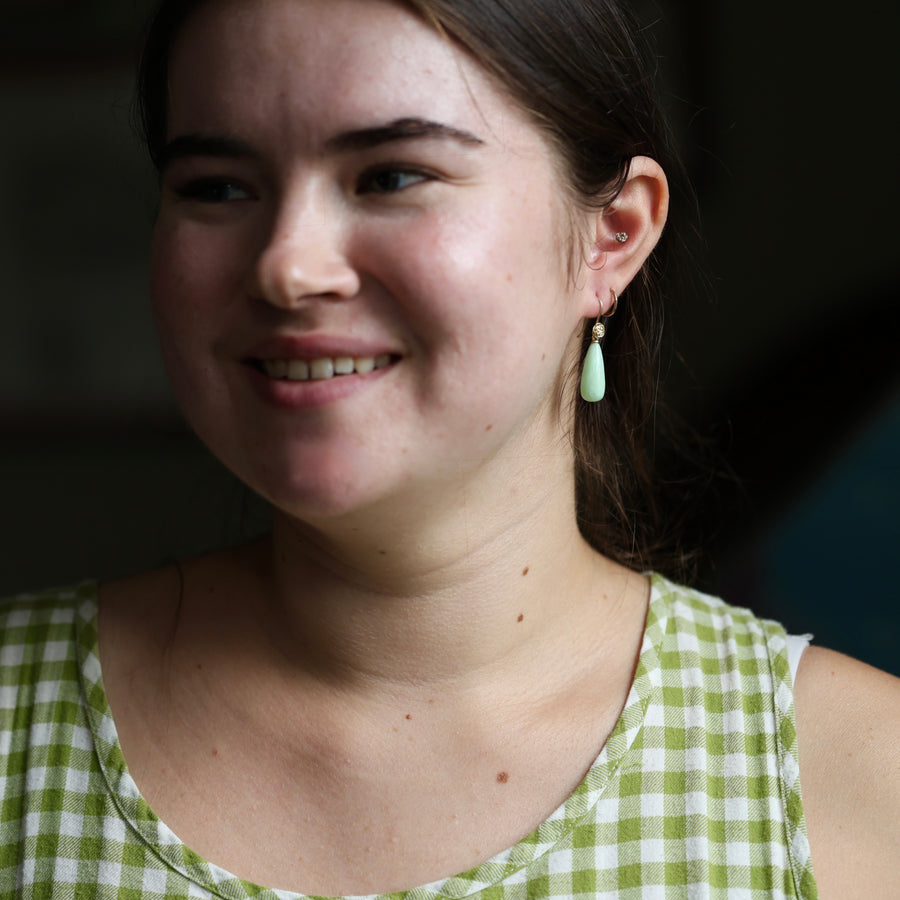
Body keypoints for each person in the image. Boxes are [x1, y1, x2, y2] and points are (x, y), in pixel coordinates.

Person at [1, 0, 898, 897]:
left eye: (390, 176)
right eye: (218, 188)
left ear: (612, 234)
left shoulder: (855, 781)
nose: (286, 265)